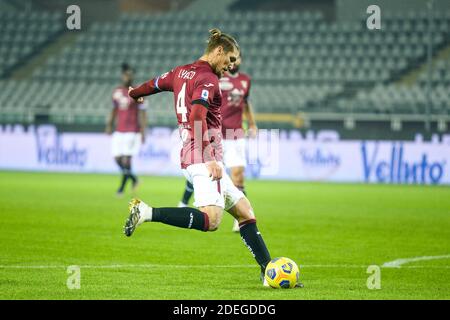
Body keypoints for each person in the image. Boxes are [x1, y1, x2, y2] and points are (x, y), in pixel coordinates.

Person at [124, 29, 297, 287]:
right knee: (212, 220)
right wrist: (209, 157)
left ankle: (266, 271)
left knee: (245, 212)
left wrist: (135, 93)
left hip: (192, 153)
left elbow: (155, 84)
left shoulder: (180, 72)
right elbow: (196, 117)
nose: (230, 66)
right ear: (218, 51)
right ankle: (146, 211)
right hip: (202, 157)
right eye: (229, 60)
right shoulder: (208, 80)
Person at [106, 63, 147, 197]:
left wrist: (143, 131)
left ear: (132, 76)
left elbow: (142, 112)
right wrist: (109, 124)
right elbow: (114, 110)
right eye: (125, 74)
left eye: (129, 74)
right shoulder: (116, 92)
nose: (127, 76)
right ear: (122, 75)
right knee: (117, 159)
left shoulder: (137, 91)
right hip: (119, 130)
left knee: (126, 161)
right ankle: (134, 180)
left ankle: (121, 189)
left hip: (132, 130)